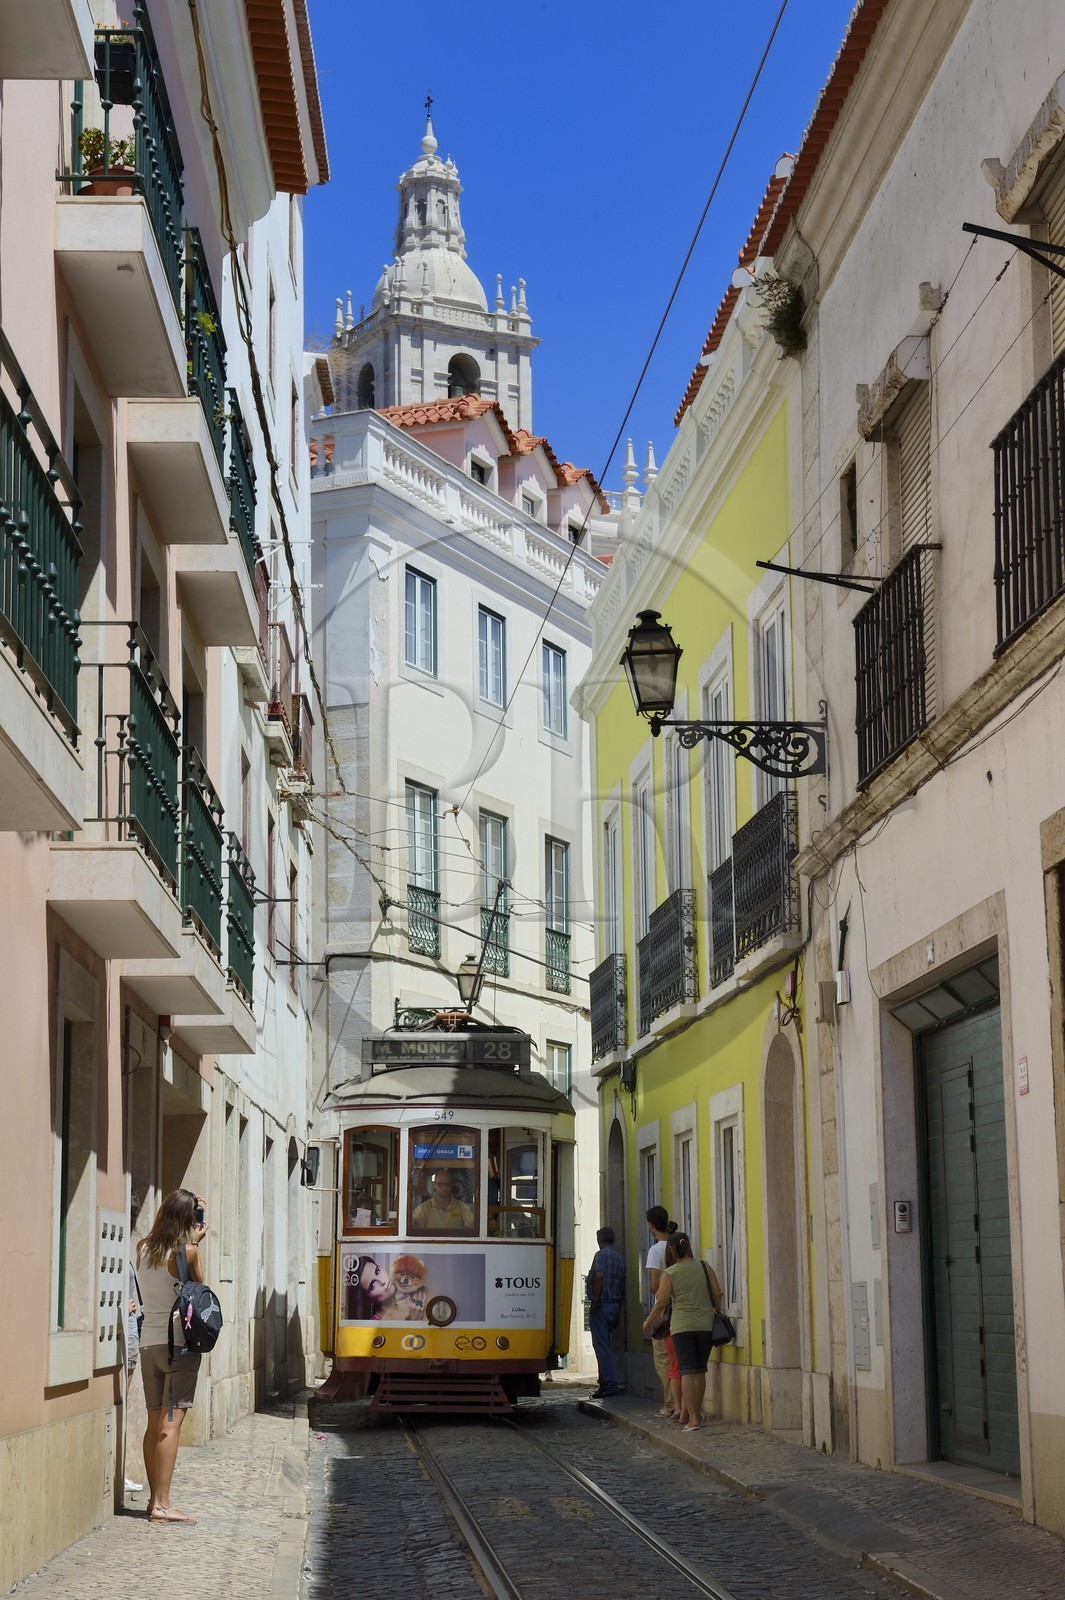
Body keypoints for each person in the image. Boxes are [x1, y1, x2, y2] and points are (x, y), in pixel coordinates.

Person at [136, 1188, 208, 1524]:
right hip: (177, 1345)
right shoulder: (187, 1251)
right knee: (170, 1425)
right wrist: (196, 1243)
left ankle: (154, 1500)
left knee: (153, 1426)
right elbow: (201, 1291)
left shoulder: (143, 1248)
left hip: (148, 1344)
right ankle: (163, 1505)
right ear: (188, 1218)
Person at [642, 1231, 721, 1431]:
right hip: (705, 1325)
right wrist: (715, 1312)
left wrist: (649, 1320)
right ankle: (697, 1413)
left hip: (682, 1327)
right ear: (688, 1247)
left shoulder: (670, 1273)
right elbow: (717, 1293)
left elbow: (661, 1302)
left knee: (686, 1370)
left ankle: (693, 1417)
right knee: (700, 1370)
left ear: (672, 1250)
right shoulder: (705, 1267)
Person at [644, 1207, 678, 1417]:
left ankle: (671, 1404)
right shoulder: (678, 1245)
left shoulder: (656, 1251)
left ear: (650, 1225)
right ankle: (679, 1404)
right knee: (678, 1360)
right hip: (682, 1306)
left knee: (664, 1361)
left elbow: (655, 1285)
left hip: (664, 1310)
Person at [586, 1226, 626, 1399]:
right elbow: (623, 1288)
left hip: (601, 1305)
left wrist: (595, 1300)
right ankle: (604, 1382)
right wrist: (618, 1312)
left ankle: (608, 1384)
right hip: (615, 1305)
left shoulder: (600, 1255)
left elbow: (599, 1276)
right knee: (605, 1345)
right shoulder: (619, 1258)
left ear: (600, 1240)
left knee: (601, 1347)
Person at [346, 1254, 398, 1319]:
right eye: (372, 1285)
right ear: (368, 1299)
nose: (382, 1281)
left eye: (377, 1271)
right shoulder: (373, 1325)